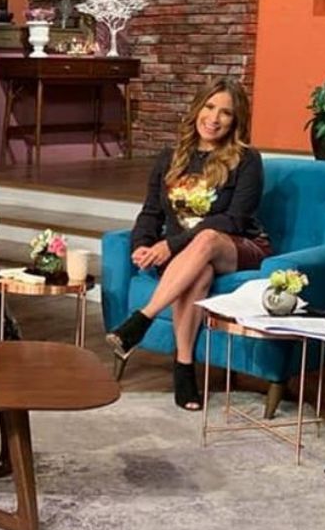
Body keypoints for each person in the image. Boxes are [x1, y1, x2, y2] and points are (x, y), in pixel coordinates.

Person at [105, 77, 270, 410]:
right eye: (209, 107)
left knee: (207, 238)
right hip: (188, 254)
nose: (214, 118)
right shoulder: (170, 158)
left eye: (226, 112)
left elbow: (233, 221)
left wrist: (171, 246)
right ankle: (184, 368)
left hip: (237, 247)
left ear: (235, 121)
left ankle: (142, 318)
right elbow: (150, 212)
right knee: (199, 273)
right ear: (197, 109)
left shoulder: (246, 160)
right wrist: (142, 244)